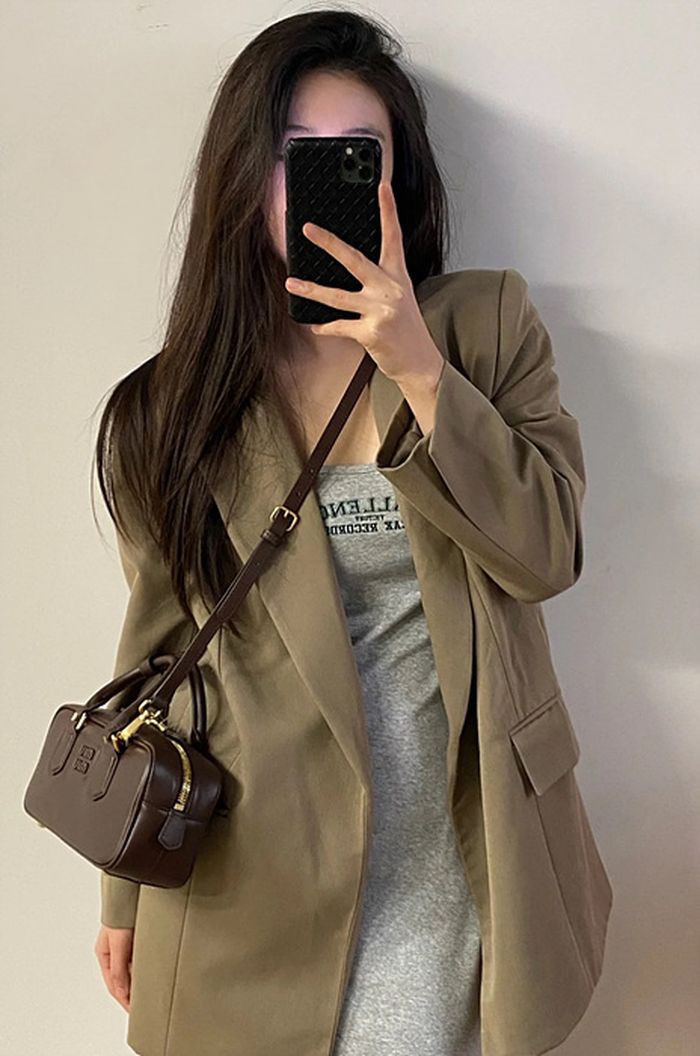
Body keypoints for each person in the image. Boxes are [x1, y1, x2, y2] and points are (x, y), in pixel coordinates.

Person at [92, 9, 613, 1056]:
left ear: (396, 177)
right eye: (297, 155)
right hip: (255, 865)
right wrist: (123, 888)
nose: (323, 184)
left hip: (462, 858)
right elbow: (155, 655)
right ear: (245, 176)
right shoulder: (170, 406)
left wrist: (418, 366)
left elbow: (546, 551)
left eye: (356, 155)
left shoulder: (484, 328)